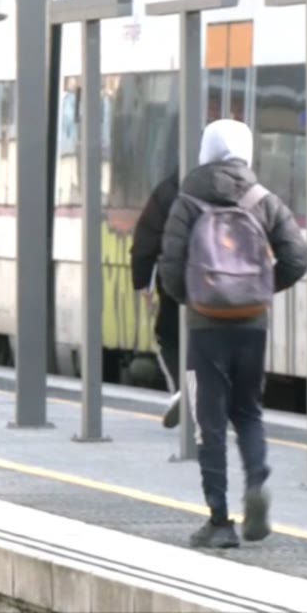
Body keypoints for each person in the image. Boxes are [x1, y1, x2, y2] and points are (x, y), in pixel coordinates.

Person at [159, 119, 307, 549]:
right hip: (251, 322)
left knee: (209, 422)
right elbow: (297, 257)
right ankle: (256, 483)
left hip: (204, 326)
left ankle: (219, 521)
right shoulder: (263, 200)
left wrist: (195, 296)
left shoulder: (187, 201)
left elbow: (170, 266)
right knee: (248, 412)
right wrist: (259, 288)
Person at [131, 171, 184, 428]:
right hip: (236, 287)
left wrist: (143, 280)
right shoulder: (247, 188)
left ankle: (184, 390)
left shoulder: (169, 189)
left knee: (169, 336)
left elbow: (146, 240)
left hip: (179, 281)